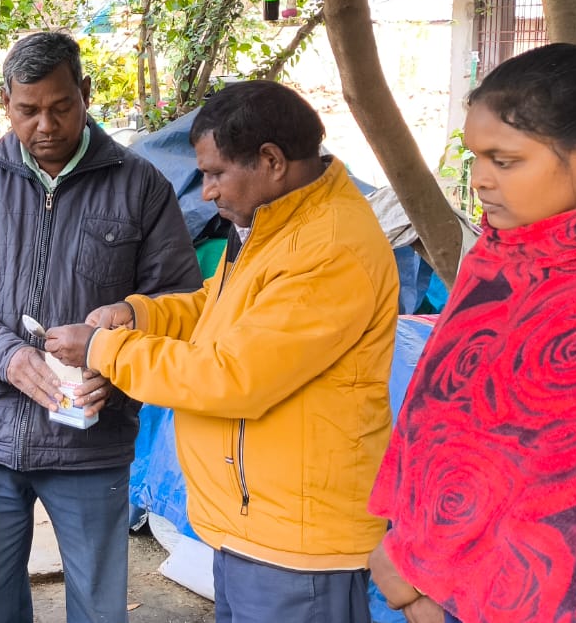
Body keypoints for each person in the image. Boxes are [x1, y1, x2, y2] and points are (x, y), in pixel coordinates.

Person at [368, 44, 576, 623]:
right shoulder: (500, 259)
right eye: (474, 157)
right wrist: (411, 565)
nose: (479, 181)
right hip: (436, 581)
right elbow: (448, 416)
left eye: (505, 161)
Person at [46, 80, 398, 623]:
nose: (205, 192)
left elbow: (232, 377)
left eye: (214, 174)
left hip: (297, 544)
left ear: (271, 160)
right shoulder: (276, 223)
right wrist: (140, 314)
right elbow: (220, 306)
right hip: (258, 524)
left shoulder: (328, 248)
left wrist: (104, 347)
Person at [0, 32, 201, 623]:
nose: (45, 124)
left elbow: (178, 301)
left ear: (85, 94)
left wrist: (115, 364)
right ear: (5, 103)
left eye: (61, 106)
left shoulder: (139, 185)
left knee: (98, 604)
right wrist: (9, 358)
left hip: (90, 438)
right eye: (28, 110)